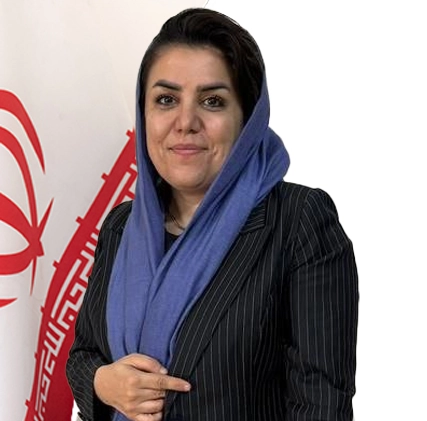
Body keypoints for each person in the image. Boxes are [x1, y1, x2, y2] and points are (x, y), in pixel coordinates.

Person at [66, 7, 358, 421]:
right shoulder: (122, 226)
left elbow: (321, 404)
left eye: (212, 101)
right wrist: (102, 383)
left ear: (248, 119)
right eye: (166, 99)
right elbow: (83, 353)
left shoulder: (299, 222)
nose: (186, 122)